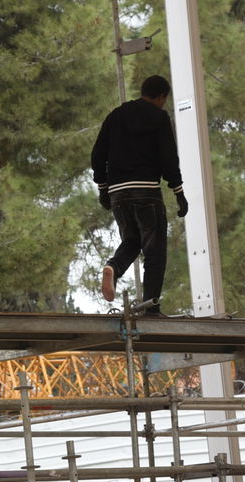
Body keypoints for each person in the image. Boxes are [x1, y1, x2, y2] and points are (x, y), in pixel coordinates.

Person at [91, 74, 187, 315]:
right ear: (162, 96)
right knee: (155, 251)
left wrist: (103, 188)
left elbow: (97, 154)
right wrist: (178, 192)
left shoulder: (115, 116)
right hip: (146, 191)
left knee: (132, 241)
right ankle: (151, 307)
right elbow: (168, 158)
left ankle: (113, 267)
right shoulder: (159, 117)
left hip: (118, 194)